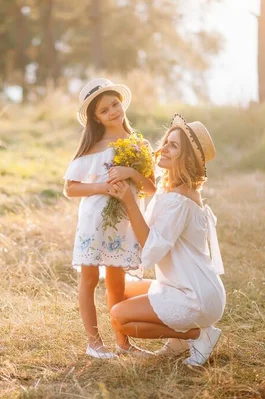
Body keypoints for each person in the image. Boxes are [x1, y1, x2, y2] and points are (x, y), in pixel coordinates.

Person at [106, 114, 226, 366]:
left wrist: (128, 201)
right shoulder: (174, 188)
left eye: (173, 146)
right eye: (166, 141)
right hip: (186, 285)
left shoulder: (178, 200)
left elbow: (152, 249)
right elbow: (149, 198)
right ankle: (180, 339)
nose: (164, 148)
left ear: (187, 159)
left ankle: (197, 334)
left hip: (194, 295)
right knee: (120, 287)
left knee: (119, 317)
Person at [63, 78, 156, 359]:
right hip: (95, 220)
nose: (113, 111)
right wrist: (103, 187)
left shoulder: (138, 143)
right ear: (97, 118)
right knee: (89, 277)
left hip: (124, 222)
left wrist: (131, 174)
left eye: (115, 104)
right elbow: (70, 187)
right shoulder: (94, 147)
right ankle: (94, 343)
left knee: (117, 283)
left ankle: (122, 343)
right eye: (105, 110)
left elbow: (151, 187)